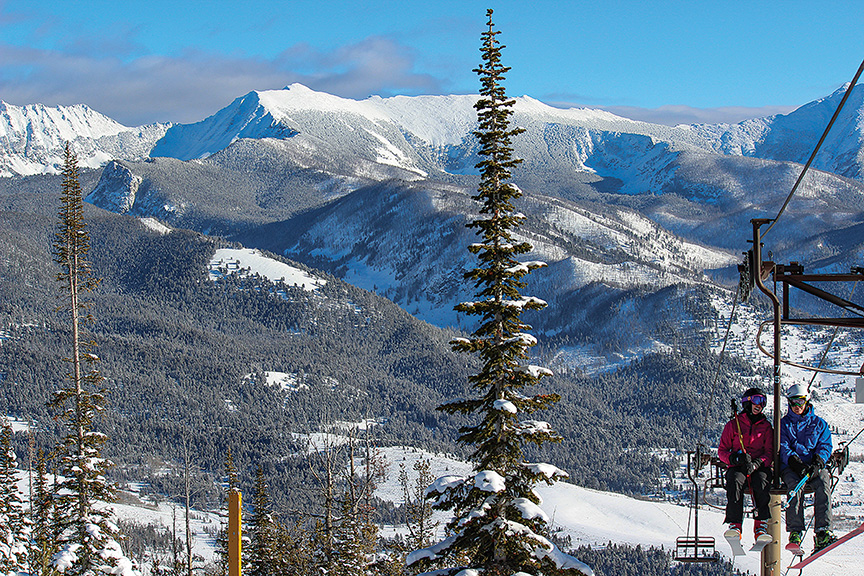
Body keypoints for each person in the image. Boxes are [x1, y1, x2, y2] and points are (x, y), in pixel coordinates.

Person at [779, 383, 837, 551]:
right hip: (792, 467)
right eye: (793, 402)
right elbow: (783, 446)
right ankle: (795, 532)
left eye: (800, 402)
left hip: (814, 467)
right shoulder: (784, 425)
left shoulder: (819, 424)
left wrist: (818, 463)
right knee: (794, 487)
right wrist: (796, 464)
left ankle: (822, 532)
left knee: (823, 484)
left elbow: (825, 446)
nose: (797, 406)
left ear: (807, 401)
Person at [718, 387, 774, 540]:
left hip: (759, 466)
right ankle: (735, 524)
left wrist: (757, 463)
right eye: (757, 401)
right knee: (734, 481)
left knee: (762, 481)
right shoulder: (734, 425)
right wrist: (735, 458)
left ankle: (760, 524)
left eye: (763, 402)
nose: (759, 405)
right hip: (739, 465)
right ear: (747, 402)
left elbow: (769, 452)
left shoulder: (766, 427)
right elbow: (722, 451)